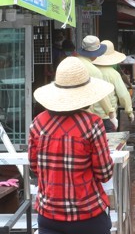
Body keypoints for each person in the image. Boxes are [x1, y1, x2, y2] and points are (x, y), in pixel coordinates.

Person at [29, 57, 115, 234]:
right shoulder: (92, 124)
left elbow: (34, 168)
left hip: (48, 214)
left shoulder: (38, 123)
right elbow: (104, 173)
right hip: (87, 214)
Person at [76, 35, 117, 132]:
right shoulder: (94, 71)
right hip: (86, 115)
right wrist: (111, 115)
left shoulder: (74, 62)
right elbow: (101, 95)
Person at [93, 40, 135, 128]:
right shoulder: (113, 74)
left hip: (91, 116)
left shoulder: (91, 71)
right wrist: (129, 111)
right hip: (108, 116)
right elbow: (123, 95)